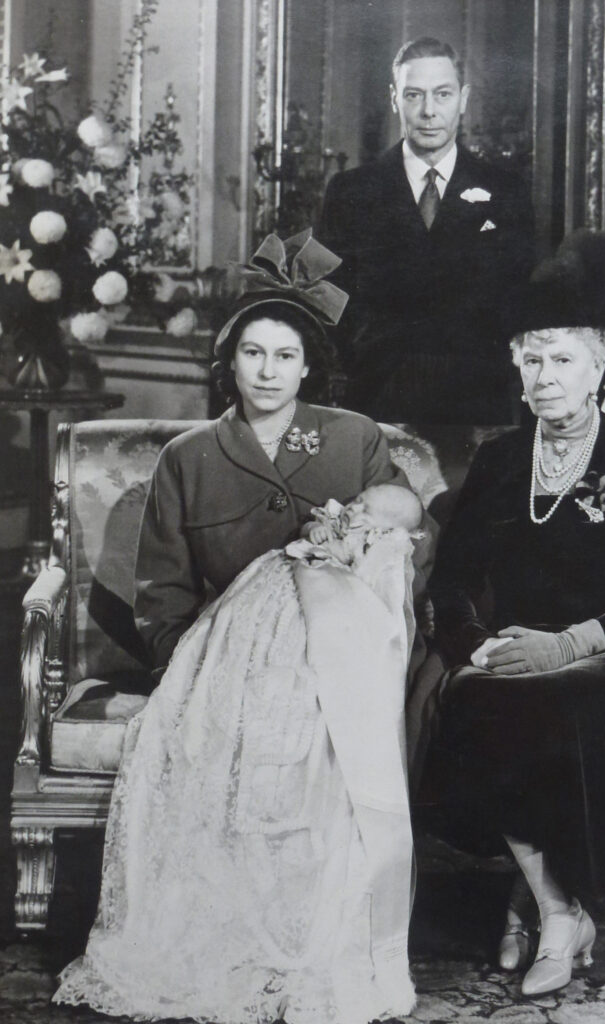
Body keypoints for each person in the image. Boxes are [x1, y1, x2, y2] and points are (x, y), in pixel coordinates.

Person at [53, 231, 431, 1024]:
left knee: (320, 746)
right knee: (219, 736)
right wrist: (195, 665)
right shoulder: (190, 456)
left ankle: (311, 937)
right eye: (252, 354)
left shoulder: (350, 438)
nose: (267, 371)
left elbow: (394, 551)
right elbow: (158, 590)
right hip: (217, 651)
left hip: (333, 661)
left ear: (306, 365)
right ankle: (224, 939)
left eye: (284, 356)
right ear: (230, 363)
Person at [413, 230, 605, 997]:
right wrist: (473, 646)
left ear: (599, 363)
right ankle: (555, 907)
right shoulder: (503, 458)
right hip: (517, 645)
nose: (544, 378)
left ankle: (542, 906)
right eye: (531, 359)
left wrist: (568, 644)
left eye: (562, 359)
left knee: (565, 701)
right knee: (478, 699)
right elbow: (450, 579)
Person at [318, 36, 534, 424]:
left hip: (478, 408)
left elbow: (518, 302)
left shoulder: (507, 193)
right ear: (394, 98)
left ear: (464, 99)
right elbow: (329, 300)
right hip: (378, 400)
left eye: (443, 94)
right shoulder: (351, 191)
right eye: (414, 95)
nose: (429, 111)